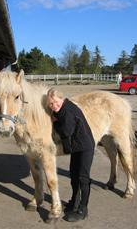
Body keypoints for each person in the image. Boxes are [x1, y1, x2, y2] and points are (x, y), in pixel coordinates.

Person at [46, 88, 95, 222]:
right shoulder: (63, 109)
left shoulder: (67, 111)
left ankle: (83, 209)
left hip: (85, 147)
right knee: (73, 174)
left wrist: (54, 122)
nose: (54, 106)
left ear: (62, 99)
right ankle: (74, 201)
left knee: (83, 178)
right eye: (50, 104)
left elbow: (66, 131)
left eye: (56, 102)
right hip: (77, 146)